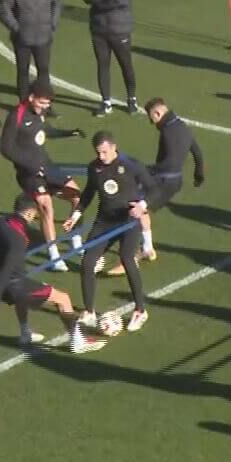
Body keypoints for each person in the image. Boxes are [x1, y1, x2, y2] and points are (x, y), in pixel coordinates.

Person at [0, 193, 105, 354]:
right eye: (35, 215)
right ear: (29, 213)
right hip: (12, 285)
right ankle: (78, 341)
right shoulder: (19, 238)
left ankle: (25, 333)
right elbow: (7, 270)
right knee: (63, 299)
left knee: (21, 299)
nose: (34, 219)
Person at [64, 131, 155, 334]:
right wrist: (76, 215)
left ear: (114, 148)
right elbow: (88, 193)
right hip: (104, 221)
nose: (101, 157)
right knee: (87, 262)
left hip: (128, 220)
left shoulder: (132, 165)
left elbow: (153, 188)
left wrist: (142, 205)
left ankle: (140, 310)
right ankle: (89, 311)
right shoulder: (94, 168)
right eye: (98, 153)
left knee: (127, 258)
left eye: (104, 152)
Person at [0, 85, 84, 273]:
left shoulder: (39, 113)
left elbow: (45, 130)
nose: (45, 106)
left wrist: (69, 132)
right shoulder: (16, 115)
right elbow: (6, 148)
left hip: (47, 166)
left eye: (48, 103)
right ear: (31, 97)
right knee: (46, 205)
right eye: (42, 102)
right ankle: (55, 257)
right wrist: (29, 165)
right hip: (28, 173)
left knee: (76, 195)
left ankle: (76, 240)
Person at [135, 98, 205, 265]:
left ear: (158, 113)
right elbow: (197, 151)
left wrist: (146, 170)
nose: (151, 122)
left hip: (165, 180)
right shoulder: (182, 125)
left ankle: (133, 254)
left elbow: (169, 164)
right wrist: (199, 173)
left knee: (136, 207)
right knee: (142, 207)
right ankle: (146, 247)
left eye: (151, 117)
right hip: (175, 180)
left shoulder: (167, 132)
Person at [79, 0, 137, 116]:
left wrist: (98, 0)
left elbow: (123, 0)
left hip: (119, 29)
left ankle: (131, 99)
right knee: (102, 65)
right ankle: (106, 102)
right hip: (99, 29)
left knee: (125, 64)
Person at [0, 0, 60, 102]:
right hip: (22, 38)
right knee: (23, 71)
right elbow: (3, 9)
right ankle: (24, 103)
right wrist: (16, 28)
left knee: (44, 70)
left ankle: (45, 102)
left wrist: (52, 24)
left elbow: (56, 2)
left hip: (44, 36)